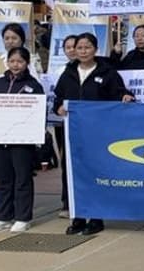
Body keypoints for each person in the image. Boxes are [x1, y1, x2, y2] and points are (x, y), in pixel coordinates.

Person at [54, 32, 134, 236]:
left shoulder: (107, 72)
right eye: (79, 48)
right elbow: (59, 98)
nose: (82, 51)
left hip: (98, 132)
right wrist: (58, 109)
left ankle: (96, 218)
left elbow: (119, 92)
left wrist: (125, 96)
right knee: (73, 173)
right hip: (73, 131)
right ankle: (78, 216)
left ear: (95, 50)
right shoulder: (68, 72)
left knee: (96, 172)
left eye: (87, 47)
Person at [0, 47, 45, 233]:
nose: (16, 65)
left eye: (20, 61)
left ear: (27, 63)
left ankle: (22, 217)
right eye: (12, 61)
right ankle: (2, 216)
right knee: (3, 178)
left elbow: (38, 113)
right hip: (0, 139)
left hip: (22, 141)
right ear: (7, 62)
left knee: (22, 178)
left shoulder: (34, 86)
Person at [52, 34, 78, 218]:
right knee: (66, 163)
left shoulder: (100, 70)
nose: (72, 50)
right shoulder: (62, 71)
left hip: (89, 125)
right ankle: (67, 202)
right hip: (65, 124)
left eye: (75, 46)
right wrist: (58, 107)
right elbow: (57, 97)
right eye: (67, 47)